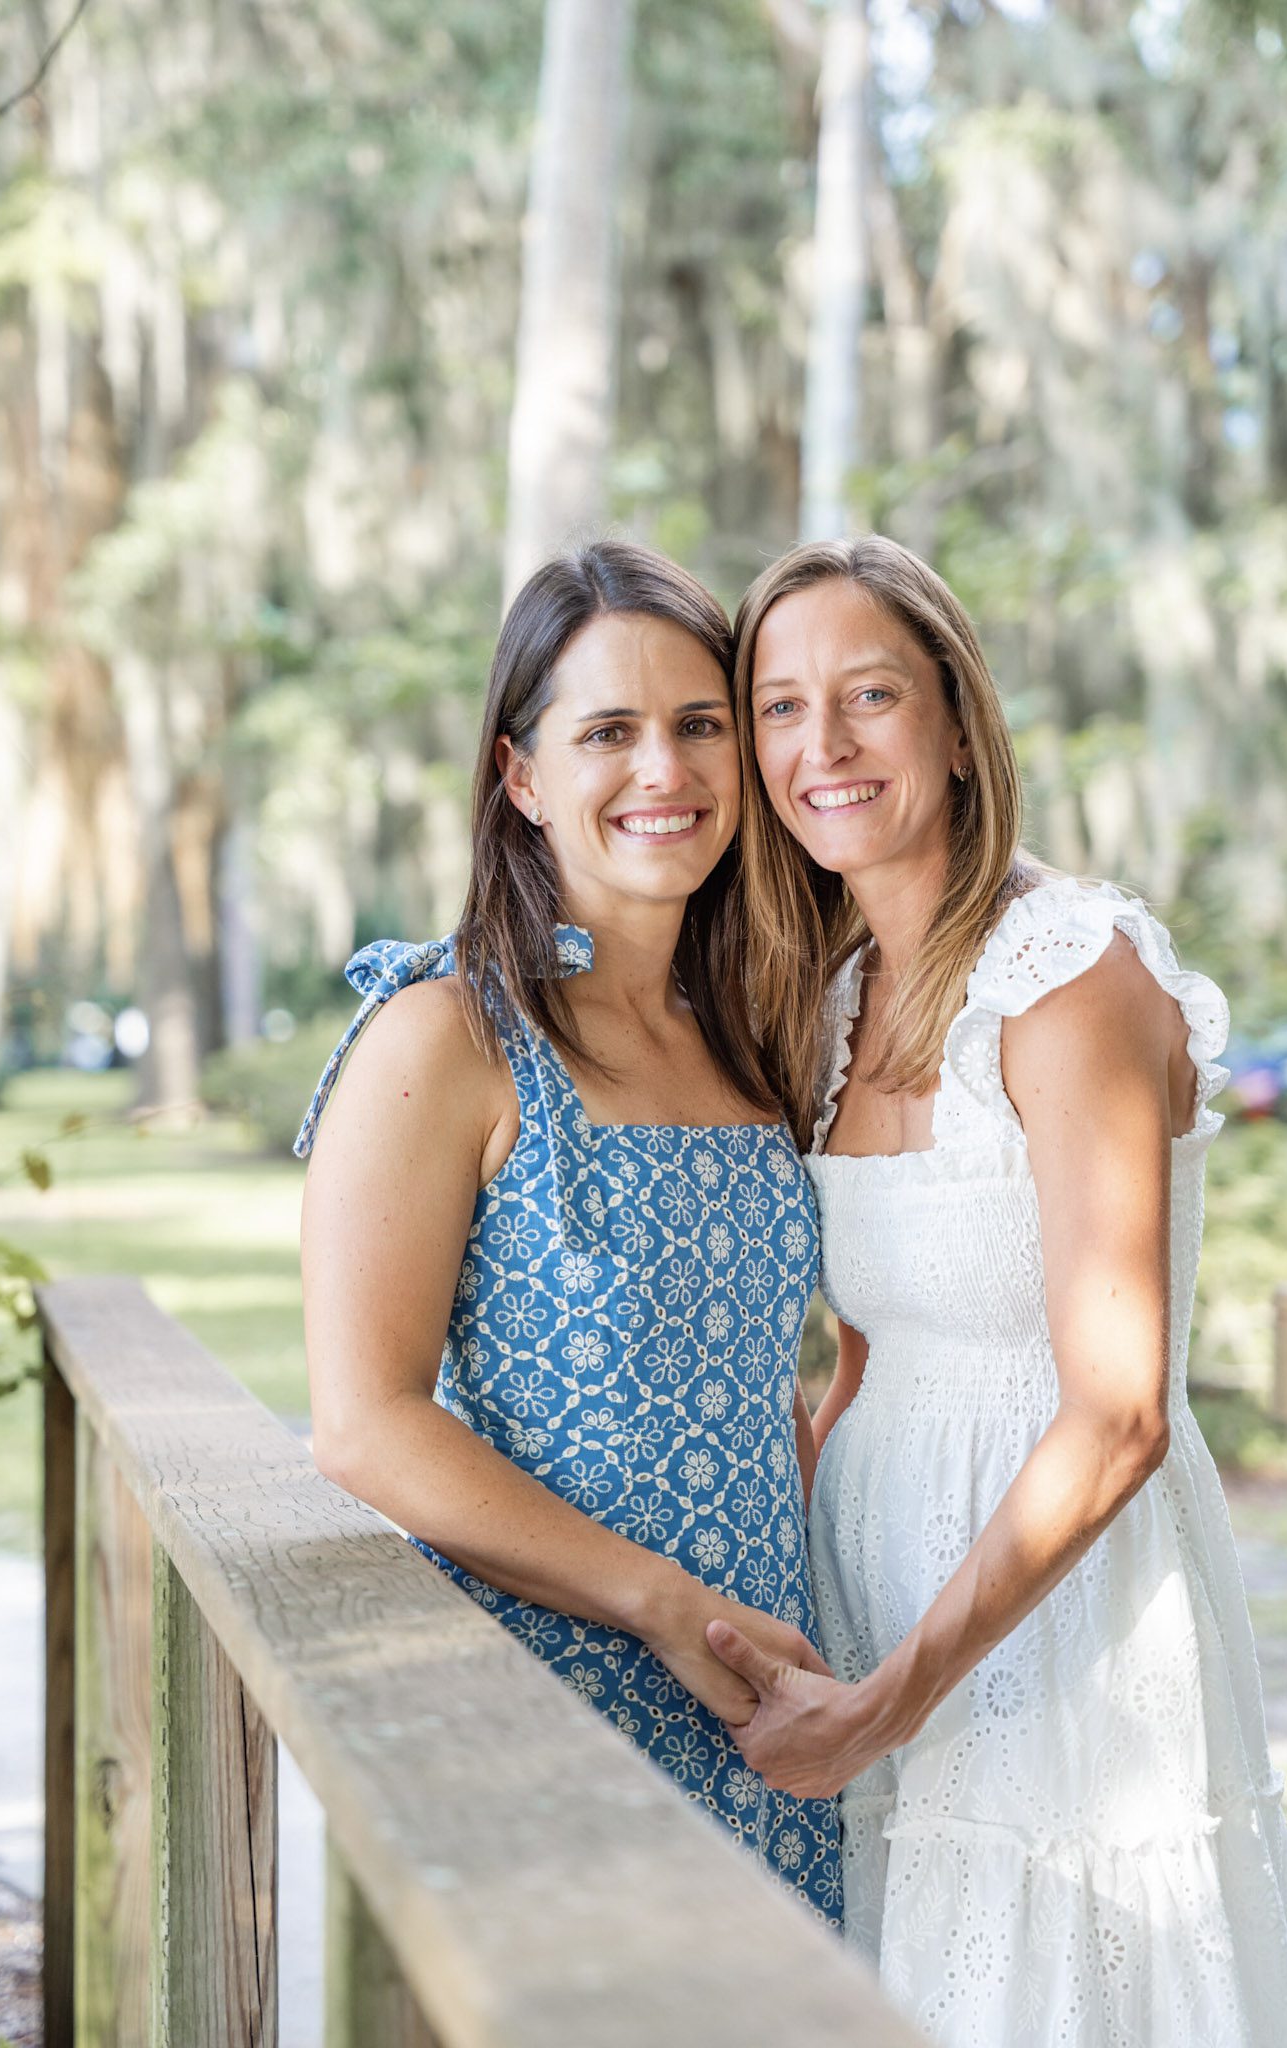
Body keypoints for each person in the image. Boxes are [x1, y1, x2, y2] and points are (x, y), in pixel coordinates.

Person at [706, 535, 1287, 2040]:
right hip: (873, 1592)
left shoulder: (1069, 983)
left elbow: (1117, 1419)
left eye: (868, 697)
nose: (820, 748)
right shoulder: (837, 995)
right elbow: (858, 1356)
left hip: (1060, 1621)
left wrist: (890, 1698)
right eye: (779, 707)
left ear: (959, 727)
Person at [296, 540, 841, 1917]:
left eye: (700, 724)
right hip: (552, 1704)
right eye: (609, 732)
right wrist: (657, 1602)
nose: (666, 772)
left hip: (765, 1707)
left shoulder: (751, 1036)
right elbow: (365, 1422)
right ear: (522, 776)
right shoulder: (449, 1035)